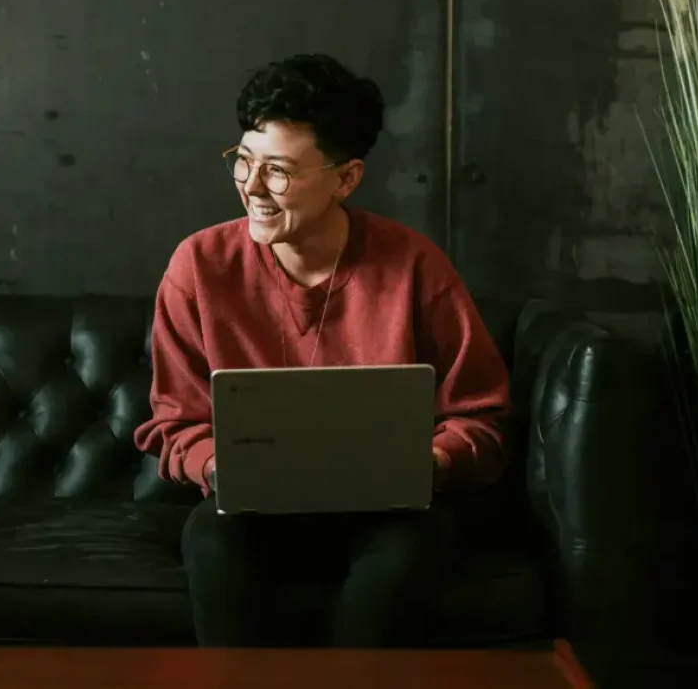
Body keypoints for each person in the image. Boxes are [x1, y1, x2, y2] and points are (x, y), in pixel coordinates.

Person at [133, 53, 511, 647]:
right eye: (244, 161)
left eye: (278, 170)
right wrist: (215, 464)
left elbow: (480, 416)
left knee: (412, 548)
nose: (252, 187)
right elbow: (175, 421)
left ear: (347, 178)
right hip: (250, 512)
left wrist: (429, 464)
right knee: (211, 538)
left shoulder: (413, 265)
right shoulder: (200, 266)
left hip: (388, 513)